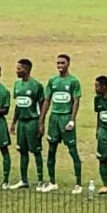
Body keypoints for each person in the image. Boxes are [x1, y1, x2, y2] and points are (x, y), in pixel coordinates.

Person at [39, 54, 83, 194]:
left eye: (62, 63)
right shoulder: (52, 81)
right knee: (51, 150)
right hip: (54, 119)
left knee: (72, 150)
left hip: (65, 117)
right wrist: (41, 119)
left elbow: (76, 101)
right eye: (58, 63)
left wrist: (72, 120)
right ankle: (52, 182)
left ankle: (78, 184)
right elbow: (47, 100)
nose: (60, 65)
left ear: (68, 64)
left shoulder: (73, 81)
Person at [10, 58, 46, 191]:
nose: (16, 71)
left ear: (26, 70)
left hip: (32, 121)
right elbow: (18, 105)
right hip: (21, 123)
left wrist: (41, 123)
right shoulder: (17, 85)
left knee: (36, 151)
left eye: (19, 69)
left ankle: (40, 180)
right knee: (22, 151)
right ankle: (23, 180)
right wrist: (14, 122)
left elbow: (42, 105)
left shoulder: (36, 85)